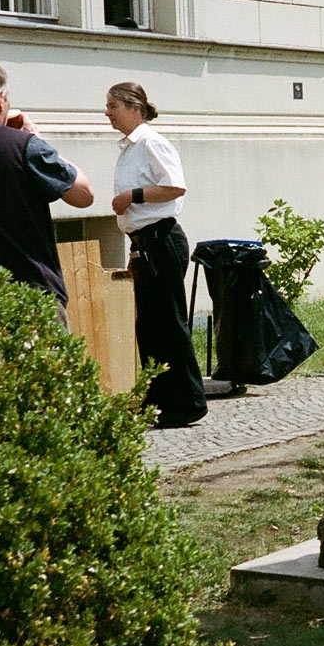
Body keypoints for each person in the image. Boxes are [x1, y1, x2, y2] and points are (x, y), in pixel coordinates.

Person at [106, 82, 207, 429]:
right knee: (149, 326)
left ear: (135, 108)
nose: (108, 112)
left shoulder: (151, 141)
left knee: (168, 324)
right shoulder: (130, 147)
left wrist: (133, 195)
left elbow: (175, 185)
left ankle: (189, 402)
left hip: (161, 239)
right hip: (144, 243)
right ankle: (158, 401)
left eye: (113, 105)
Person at [0, 59, 94, 320]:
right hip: (28, 291)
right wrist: (36, 141)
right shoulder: (23, 146)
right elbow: (83, 195)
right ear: (0, 99)